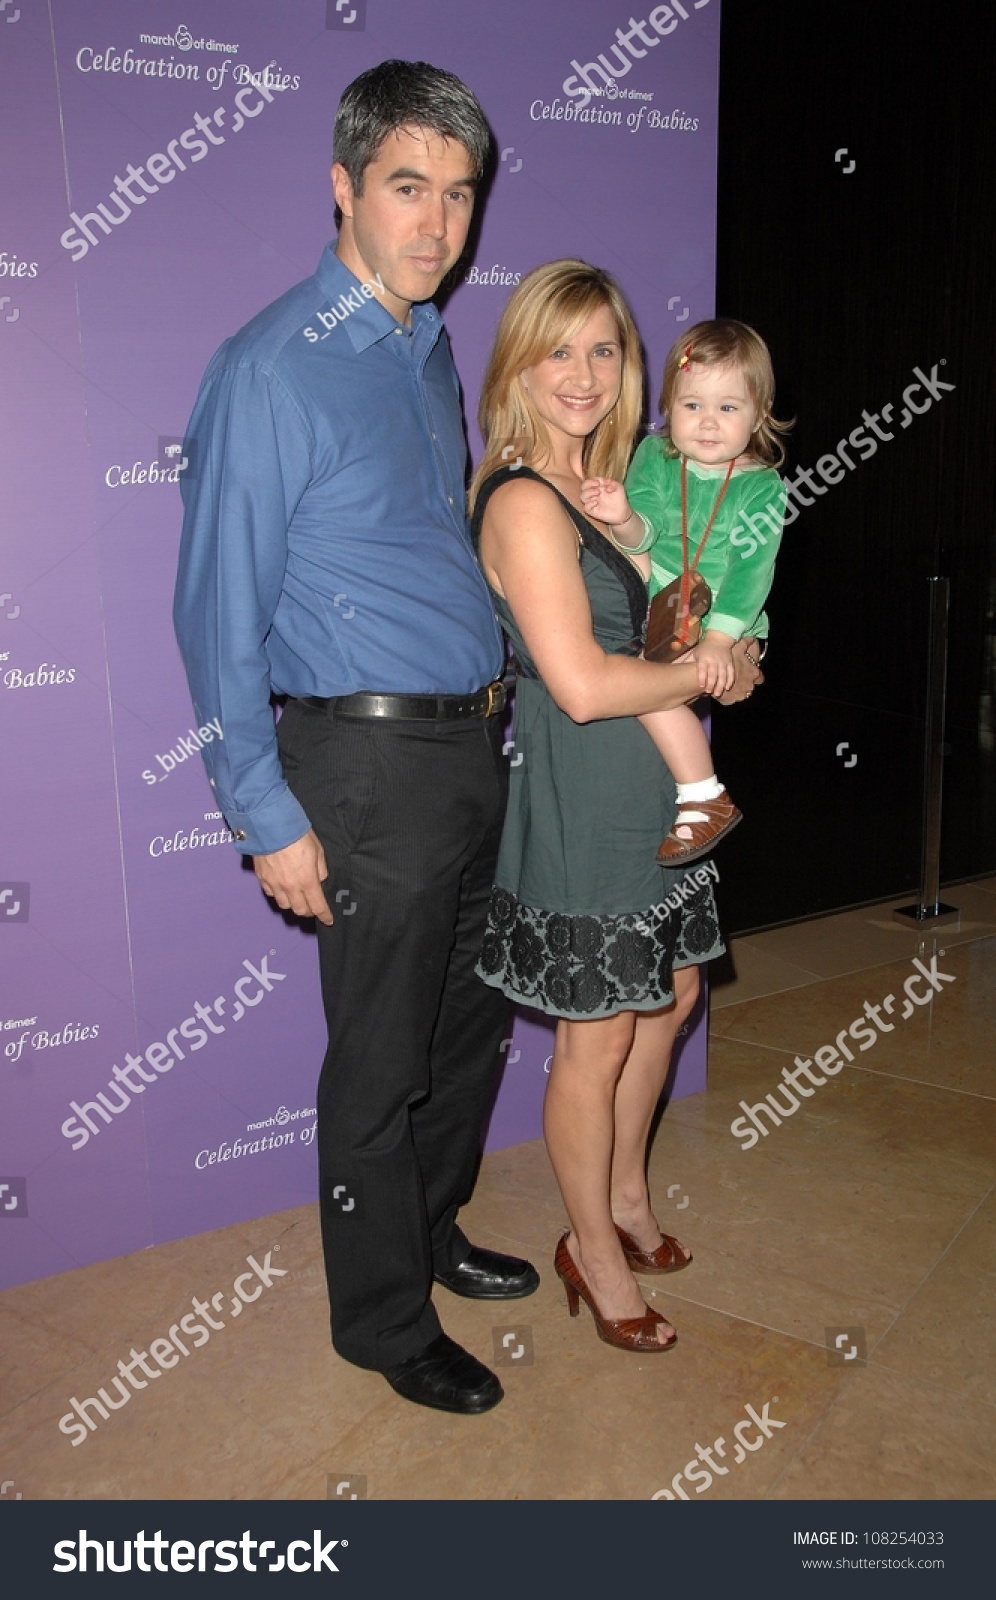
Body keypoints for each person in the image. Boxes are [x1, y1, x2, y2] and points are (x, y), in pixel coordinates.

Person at [173, 60, 539, 1418]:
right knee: (381, 1061)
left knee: (463, 1031)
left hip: (466, 753)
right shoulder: (271, 370)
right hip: (364, 766)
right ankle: (380, 1321)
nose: (437, 225)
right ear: (341, 188)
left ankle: (429, 1233)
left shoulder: (427, 346)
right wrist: (263, 812)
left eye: (458, 195)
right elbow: (214, 614)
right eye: (406, 189)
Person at [470, 261, 762, 1352]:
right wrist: (698, 679)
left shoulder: (635, 482)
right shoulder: (522, 499)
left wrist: (738, 650)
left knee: (673, 998)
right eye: (560, 350)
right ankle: (589, 1250)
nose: (584, 374)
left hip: (657, 791)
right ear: (519, 366)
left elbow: (688, 615)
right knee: (594, 1042)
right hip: (584, 791)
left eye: (606, 349)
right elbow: (586, 685)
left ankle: (629, 1198)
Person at [581, 319, 790, 864]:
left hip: (725, 618)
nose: (708, 424)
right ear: (668, 405)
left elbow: (751, 573)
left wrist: (721, 640)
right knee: (635, 686)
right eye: (692, 405)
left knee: (652, 691)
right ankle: (686, 796)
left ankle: (704, 794)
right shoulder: (656, 457)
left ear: (759, 414)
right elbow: (643, 533)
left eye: (729, 408)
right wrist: (621, 514)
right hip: (657, 606)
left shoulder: (762, 486)